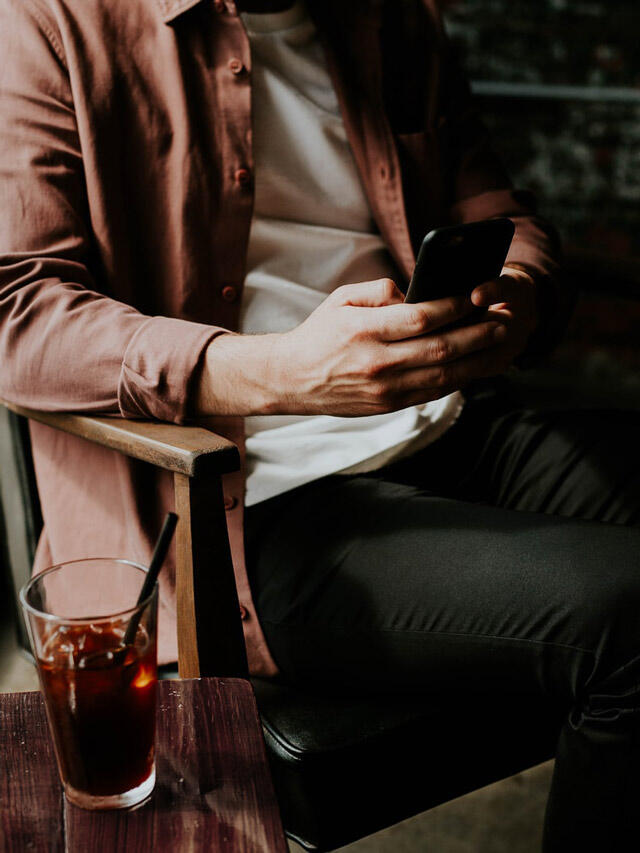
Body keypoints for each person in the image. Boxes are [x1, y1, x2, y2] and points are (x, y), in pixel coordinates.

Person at [0, 0, 639, 849]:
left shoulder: (395, 17)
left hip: (451, 422)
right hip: (255, 507)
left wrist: (520, 287)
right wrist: (281, 372)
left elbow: (500, 207)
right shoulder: (48, 21)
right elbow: (20, 314)